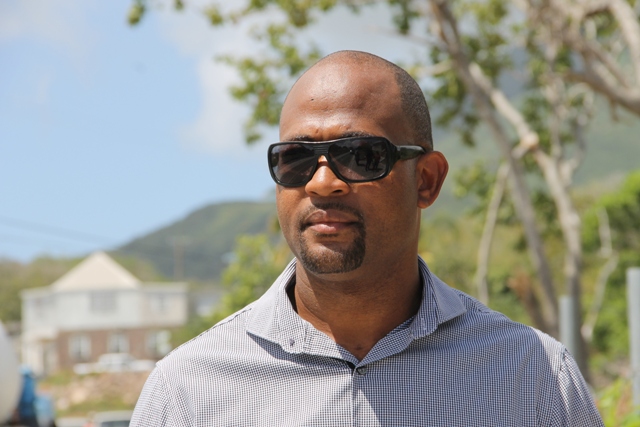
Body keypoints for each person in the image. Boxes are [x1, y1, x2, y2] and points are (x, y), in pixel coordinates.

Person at [130, 50, 603, 426]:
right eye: (296, 158)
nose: (321, 182)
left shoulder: (530, 376)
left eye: (360, 155)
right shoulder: (188, 390)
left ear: (426, 181)